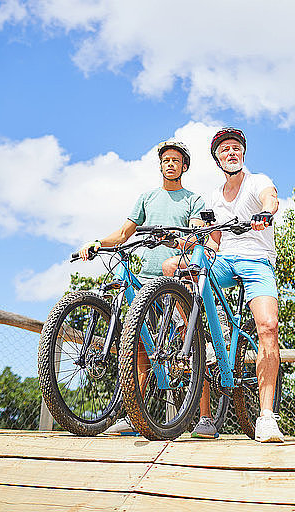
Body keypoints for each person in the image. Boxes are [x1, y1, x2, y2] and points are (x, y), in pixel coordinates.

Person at [163, 127, 284, 443]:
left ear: (242, 154)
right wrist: (184, 242)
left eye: (236, 148)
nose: (231, 152)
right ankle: (189, 325)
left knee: (268, 327)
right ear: (217, 159)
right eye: (224, 150)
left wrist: (265, 213)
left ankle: (268, 418)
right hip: (224, 261)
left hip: (257, 261)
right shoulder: (215, 196)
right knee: (173, 268)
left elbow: (271, 199)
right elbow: (212, 241)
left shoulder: (258, 182)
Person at [79, 139, 205, 435]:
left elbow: (198, 237)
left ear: (184, 167)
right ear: (160, 166)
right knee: (140, 349)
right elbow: (124, 233)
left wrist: (175, 240)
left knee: (192, 348)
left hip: (179, 283)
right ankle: (132, 415)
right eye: (166, 161)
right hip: (147, 281)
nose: (170, 164)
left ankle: (204, 417)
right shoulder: (147, 197)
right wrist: (97, 242)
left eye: (176, 160)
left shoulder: (193, 199)